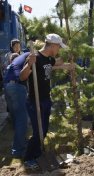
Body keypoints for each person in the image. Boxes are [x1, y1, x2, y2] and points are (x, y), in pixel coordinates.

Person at [19, 33, 75, 167]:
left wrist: (69, 62)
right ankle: (28, 159)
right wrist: (28, 65)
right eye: (59, 47)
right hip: (34, 101)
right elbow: (22, 77)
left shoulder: (49, 59)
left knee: (43, 130)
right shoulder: (34, 57)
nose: (59, 50)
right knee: (38, 131)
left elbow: (58, 63)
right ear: (52, 45)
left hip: (45, 99)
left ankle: (38, 154)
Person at [3, 52, 33, 158]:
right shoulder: (30, 55)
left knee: (16, 117)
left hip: (7, 87)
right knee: (22, 119)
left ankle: (20, 142)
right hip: (17, 87)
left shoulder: (14, 63)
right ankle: (18, 150)